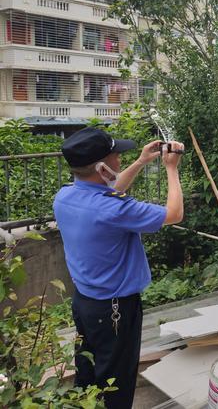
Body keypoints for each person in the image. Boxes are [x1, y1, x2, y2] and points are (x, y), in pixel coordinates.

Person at [53, 127, 184, 408]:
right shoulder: (113, 210)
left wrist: (140, 162)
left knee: (87, 372)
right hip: (116, 311)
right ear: (102, 167)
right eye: (116, 156)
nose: (119, 160)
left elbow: (109, 191)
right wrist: (171, 168)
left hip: (85, 304)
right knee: (117, 383)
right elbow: (174, 214)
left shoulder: (64, 197)